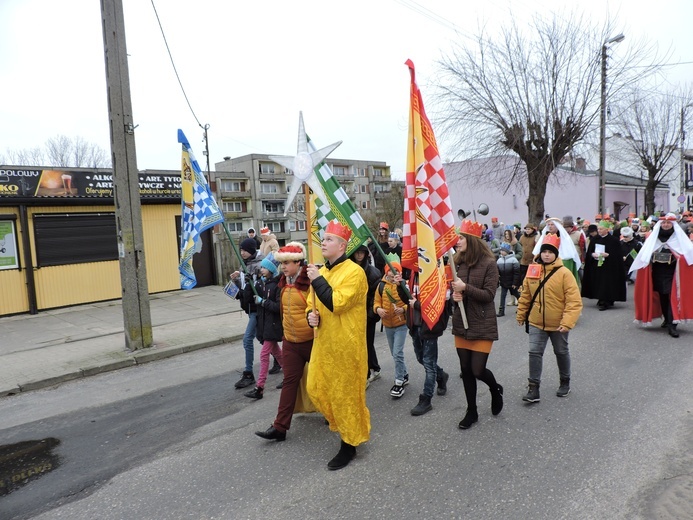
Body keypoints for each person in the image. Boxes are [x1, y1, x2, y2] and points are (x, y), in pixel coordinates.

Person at [306, 220, 370, 470]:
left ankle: (349, 443)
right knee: (316, 388)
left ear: (342, 246)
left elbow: (337, 302)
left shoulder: (355, 272)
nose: (324, 242)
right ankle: (340, 424)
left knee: (345, 397)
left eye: (330, 239)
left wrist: (315, 280)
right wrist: (309, 316)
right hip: (324, 344)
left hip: (347, 345)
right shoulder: (322, 272)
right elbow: (312, 305)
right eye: (323, 238)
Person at [255, 242, 314, 442]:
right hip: (290, 342)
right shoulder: (282, 282)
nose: (283, 267)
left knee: (322, 381)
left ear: (298, 263)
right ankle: (279, 427)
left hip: (313, 342)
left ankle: (332, 415)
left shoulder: (310, 282)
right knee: (289, 382)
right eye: (281, 264)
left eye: (286, 263)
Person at [516, 234, 582, 402]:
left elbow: (574, 301)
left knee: (561, 352)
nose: (546, 255)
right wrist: (521, 313)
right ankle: (533, 388)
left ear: (556, 254)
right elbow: (526, 295)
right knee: (534, 353)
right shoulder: (533, 270)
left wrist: (567, 322)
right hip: (536, 322)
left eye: (550, 252)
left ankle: (565, 382)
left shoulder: (564, 273)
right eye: (544, 251)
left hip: (559, 323)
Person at [450, 220, 503, 430]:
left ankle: (494, 389)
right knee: (465, 369)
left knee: (478, 370)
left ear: (471, 240)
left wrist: (465, 288)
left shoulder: (489, 263)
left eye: (461, 238)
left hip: (482, 322)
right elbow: (453, 290)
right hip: (462, 322)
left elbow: (489, 295)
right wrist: (455, 295)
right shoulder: (456, 262)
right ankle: (471, 411)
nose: (458, 241)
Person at [395, 267, 450, 417]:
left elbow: (439, 304)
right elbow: (408, 299)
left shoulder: (436, 274)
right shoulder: (413, 274)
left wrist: (417, 305)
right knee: (421, 359)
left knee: (429, 363)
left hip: (430, 327)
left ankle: (426, 399)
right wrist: (400, 285)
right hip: (415, 325)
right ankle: (441, 376)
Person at [629, 213, 693, 338]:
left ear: (672, 224)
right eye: (663, 223)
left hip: (674, 273)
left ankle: (672, 324)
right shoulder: (654, 238)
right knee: (662, 295)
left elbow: (687, 255)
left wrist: (677, 258)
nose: (666, 225)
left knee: (671, 296)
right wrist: (651, 257)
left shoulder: (678, 237)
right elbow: (646, 253)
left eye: (668, 223)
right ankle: (666, 319)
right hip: (658, 271)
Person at [244, 253, 283, 400]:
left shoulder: (277, 286)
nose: (261, 269)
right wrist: (249, 284)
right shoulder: (260, 283)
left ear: (271, 269)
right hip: (264, 326)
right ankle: (291, 376)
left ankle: (259, 387)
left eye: (265, 268)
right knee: (278, 354)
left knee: (264, 355)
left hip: (272, 326)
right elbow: (249, 300)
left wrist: (263, 302)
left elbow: (279, 307)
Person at [230, 238, 265, 389]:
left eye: (245, 250)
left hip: (257, 309)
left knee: (247, 339)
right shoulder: (244, 264)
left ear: (251, 250)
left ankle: (248, 374)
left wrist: (255, 280)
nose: (242, 252)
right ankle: (281, 362)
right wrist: (236, 281)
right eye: (241, 250)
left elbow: (262, 285)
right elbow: (244, 289)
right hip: (249, 307)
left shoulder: (259, 265)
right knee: (264, 339)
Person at [374, 253, 409, 398]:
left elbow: (411, 302)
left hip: (401, 324)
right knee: (394, 353)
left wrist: (404, 309)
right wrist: (378, 309)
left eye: (397, 271)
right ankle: (404, 374)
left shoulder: (403, 285)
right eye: (391, 270)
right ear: (386, 271)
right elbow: (376, 302)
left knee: (398, 352)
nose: (393, 273)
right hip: (388, 325)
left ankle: (399, 382)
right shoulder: (381, 286)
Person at [352, 243, 382, 384]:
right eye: (356, 252)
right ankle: (374, 368)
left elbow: (376, 297)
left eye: (361, 253)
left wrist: (370, 316)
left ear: (365, 254)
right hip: (355, 314)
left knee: (366, 344)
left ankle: (366, 375)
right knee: (362, 344)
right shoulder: (351, 270)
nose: (359, 255)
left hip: (368, 315)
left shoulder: (373, 273)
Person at [581, 220, 626, 311]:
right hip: (597, 264)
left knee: (607, 283)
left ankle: (607, 301)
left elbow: (618, 255)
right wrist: (592, 254)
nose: (599, 231)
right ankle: (601, 298)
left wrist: (608, 255)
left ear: (607, 230)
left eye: (601, 229)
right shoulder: (595, 239)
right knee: (599, 282)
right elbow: (590, 251)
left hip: (609, 266)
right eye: (598, 229)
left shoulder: (614, 240)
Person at [532, 217, 582, 287]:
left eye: (552, 224)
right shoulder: (545, 236)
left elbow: (567, 252)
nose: (550, 226)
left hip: (562, 260)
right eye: (548, 225)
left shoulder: (564, 237)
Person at [496, 242, 521, 316]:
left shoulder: (513, 260)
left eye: (503, 250)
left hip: (512, 282)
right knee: (502, 296)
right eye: (501, 250)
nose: (501, 252)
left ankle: (522, 308)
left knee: (517, 295)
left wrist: (515, 283)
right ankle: (501, 311)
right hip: (504, 282)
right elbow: (497, 272)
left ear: (507, 251)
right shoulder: (499, 260)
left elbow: (517, 273)